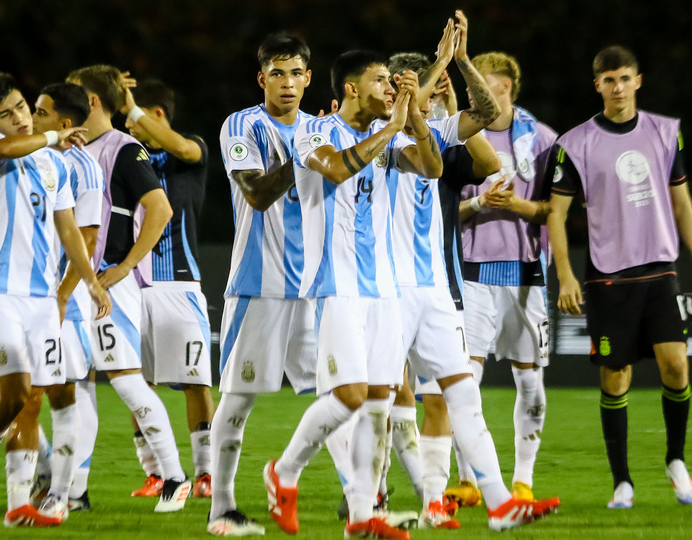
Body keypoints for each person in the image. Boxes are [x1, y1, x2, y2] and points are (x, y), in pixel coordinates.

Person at [265, 49, 447, 540]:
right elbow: (338, 170)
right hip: (335, 285)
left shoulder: (385, 133)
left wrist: (416, 124)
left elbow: (432, 169)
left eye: (393, 81)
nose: (391, 88)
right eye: (381, 80)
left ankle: (363, 516)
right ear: (351, 88)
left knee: (378, 404)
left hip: (384, 290)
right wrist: (393, 127)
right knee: (346, 396)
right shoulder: (315, 131)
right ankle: (283, 472)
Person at [546, 45, 692, 509]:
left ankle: (675, 461)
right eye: (608, 80)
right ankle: (622, 481)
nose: (617, 88)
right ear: (596, 85)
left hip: (660, 268)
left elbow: (682, 202)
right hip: (606, 276)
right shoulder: (574, 143)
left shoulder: (664, 133)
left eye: (624, 79)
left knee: (676, 365)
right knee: (614, 378)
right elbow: (556, 215)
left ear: (638, 80)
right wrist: (564, 276)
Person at [0, 72, 111, 528]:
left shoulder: (56, 164)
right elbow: (8, 149)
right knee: (12, 396)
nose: (20, 117)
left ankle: (18, 504)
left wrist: (90, 281)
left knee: (32, 400)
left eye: (22, 106)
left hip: (43, 300)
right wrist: (52, 134)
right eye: (6, 113)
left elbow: (68, 229)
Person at [382, 11, 510, 529]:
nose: (424, 100)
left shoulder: (440, 141)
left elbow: (487, 155)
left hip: (439, 285)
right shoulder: (377, 136)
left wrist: (456, 71)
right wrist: (436, 69)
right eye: (413, 90)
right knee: (387, 393)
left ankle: (441, 499)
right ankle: (373, 492)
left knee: (443, 395)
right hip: (381, 287)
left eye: (430, 93)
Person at [66, 64, 192, 513]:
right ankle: (74, 491)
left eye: (74, 94)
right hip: (77, 284)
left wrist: (126, 267)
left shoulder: (124, 148)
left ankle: (176, 478)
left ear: (93, 101)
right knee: (77, 384)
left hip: (108, 286)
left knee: (127, 383)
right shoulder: (75, 150)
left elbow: (159, 210)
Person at [208, 32, 317, 537]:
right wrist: (307, 156)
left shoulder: (322, 128)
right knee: (239, 396)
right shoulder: (242, 125)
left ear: (309, 78)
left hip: (317, 288)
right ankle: (222, 509)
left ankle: (362, 503)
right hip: (259, 283)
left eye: (296, 73)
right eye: (278, 73)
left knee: (339, 396)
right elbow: (254, 193)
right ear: (262, 79)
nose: (288, 83)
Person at [445, 49, 560, 505]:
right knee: (463, 382)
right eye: (470, 89)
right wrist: (478, 205)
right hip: (471, 275)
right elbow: (439, 212)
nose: (474, 96)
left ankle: (523, 480)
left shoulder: (544, 140)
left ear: (506, 88)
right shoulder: (456, 140)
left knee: (530, 381)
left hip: (528, 275)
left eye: (481, 87)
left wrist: (517, 207)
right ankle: (469, 480)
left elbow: (558, 209)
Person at [7, 82, 105, 521]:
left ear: (64, 124)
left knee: (60, 395)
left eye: (42, 113)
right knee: (9, 394)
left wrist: (65, 296)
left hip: (58, 302)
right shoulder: (28, 155)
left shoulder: (82, 167)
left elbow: (84, 236)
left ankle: (62, 494)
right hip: (24, 298)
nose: (32, 118)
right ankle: (42, 476)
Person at [120, 77, 215, 499]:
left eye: (134, 120)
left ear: (155, 115)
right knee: (138, 381)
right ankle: (155, 471)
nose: (129, 128)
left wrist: (132, 108)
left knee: (195, 381)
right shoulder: (125, 158)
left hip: (180, 283)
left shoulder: (189, 151)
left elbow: (182, 148)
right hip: (132, 284)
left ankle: (206, 472)